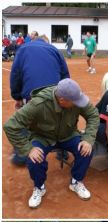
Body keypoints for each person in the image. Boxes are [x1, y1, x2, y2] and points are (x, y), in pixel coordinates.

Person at [3, 78, 99, 208]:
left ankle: (76, 181)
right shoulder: (38, 104)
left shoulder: (75, 98)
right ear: (62, 100)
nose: (79, 103)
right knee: (34, 159)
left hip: (68, 135)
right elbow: (10, 126)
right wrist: (28, 148)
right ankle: (39, 187)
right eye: (75, 102)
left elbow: (93, 114)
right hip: (43, 137)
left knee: (87, 150)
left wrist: (88, 139)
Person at [9, 35, 70, 165]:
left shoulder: (23, 48)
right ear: (46, 42)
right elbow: (65, 76)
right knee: (61, 120)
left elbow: (15, 75)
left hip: (32, 96)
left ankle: (21, 156)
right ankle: (63, 151)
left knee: (24, 121)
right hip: (55, 95)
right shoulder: (54, 49)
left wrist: (17, 97)